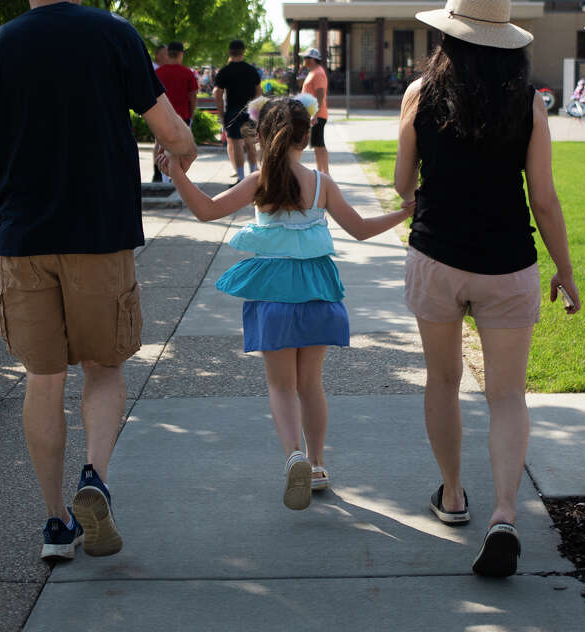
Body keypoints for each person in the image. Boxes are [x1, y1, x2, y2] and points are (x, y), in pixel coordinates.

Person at [0, 0, 196, 562]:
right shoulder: (112, 35)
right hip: (101, 236)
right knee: (105, 366)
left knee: (42, 376)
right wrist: (181, 153)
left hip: (26, 241)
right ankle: (96, 475)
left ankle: (56, 523)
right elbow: (169, 130)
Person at [396, 0, 580, 578]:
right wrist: (566, 269)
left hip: (436, 256)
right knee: (506, 394)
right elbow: (546, 199)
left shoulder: (419, 94)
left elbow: (402, 185)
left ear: (448, 33)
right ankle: (504, 514)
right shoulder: (528, 101)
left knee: (443, 380)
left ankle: (452, 497)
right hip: (508, 262)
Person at [158, 95, 412, 510]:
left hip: (272, 292)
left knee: (281, 385)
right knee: (311, 384)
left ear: (262, 135)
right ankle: (316, 463)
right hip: (316, 292)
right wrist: (406, 213)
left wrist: (177, 175)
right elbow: (362, 230)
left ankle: (292, 453)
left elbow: (206, 210)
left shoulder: (261, 180)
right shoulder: (321, 184)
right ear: (306, 136)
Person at [213, 40, 261, 183]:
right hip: (250, 111)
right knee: (250, 143)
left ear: (229, 52)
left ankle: (240, 177)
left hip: (233, 111)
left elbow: (217, 93)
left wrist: (222, 112)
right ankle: (253, 175)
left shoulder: (225, 71)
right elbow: (259, 92)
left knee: (236, 144)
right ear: (243, 52)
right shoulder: (252, 70)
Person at [152, 41, 199, 183]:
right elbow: (193, 97)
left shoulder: (157, 73)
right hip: (181, 116)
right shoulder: (187, 73)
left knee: (160, 146)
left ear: (168, 53)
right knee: (179, 150)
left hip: (160, 115)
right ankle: (174, 177)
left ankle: (163, 177)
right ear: (181, 54)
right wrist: (191, 115)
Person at [299, 48, 330, 174]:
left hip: (317, 114)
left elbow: (320, 95)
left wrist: (315, 114)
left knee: (319, 144)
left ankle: (325, 172)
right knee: (317, 144)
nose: (304, 60)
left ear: (312, 59)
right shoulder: (313, 72)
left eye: (305, 58)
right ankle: (321, 171)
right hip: (313, 114)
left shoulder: (318, 73)